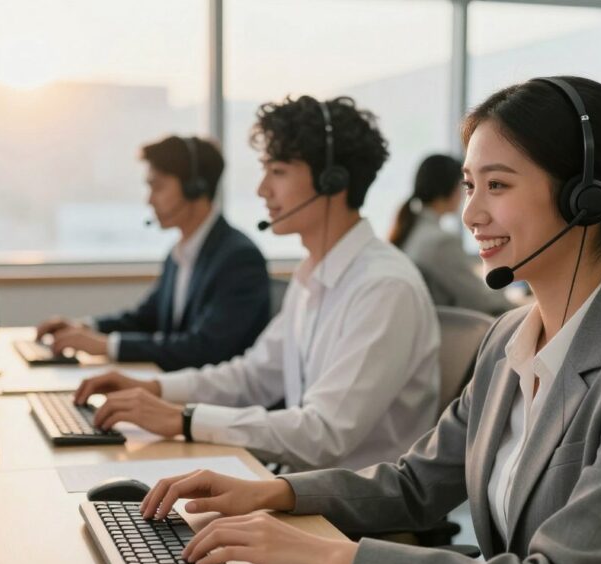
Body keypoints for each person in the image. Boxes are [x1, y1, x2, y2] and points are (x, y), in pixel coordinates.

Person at [137, 76, 601, 564]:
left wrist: (329, 558)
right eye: (470, 186)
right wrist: (278, 493)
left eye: (497, 185)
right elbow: (416, 484)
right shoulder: (509, 337)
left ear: (584, 198)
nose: (471, 214)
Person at [75, 96, 440, 472]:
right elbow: (252, 377)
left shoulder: (384, 288)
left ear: (334, 181)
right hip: (300, 485)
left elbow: (324, 433)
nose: (262, 189)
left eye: (278, 171)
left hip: (348, 512)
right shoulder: (313, 275)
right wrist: (155, 391)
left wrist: (184, 420)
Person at [35, 135, 270, 371]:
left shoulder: (238, 259)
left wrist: (107, 346)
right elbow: (145, 319)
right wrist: (84, 327)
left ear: (194, 187)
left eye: (157, 187)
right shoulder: (179, 254)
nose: (149, 200)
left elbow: (203, 347)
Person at [389, 153, 513, 315]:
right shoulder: (440, 241)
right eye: (467, 186)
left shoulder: (411, 229)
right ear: (451, 189)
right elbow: (480, 301)